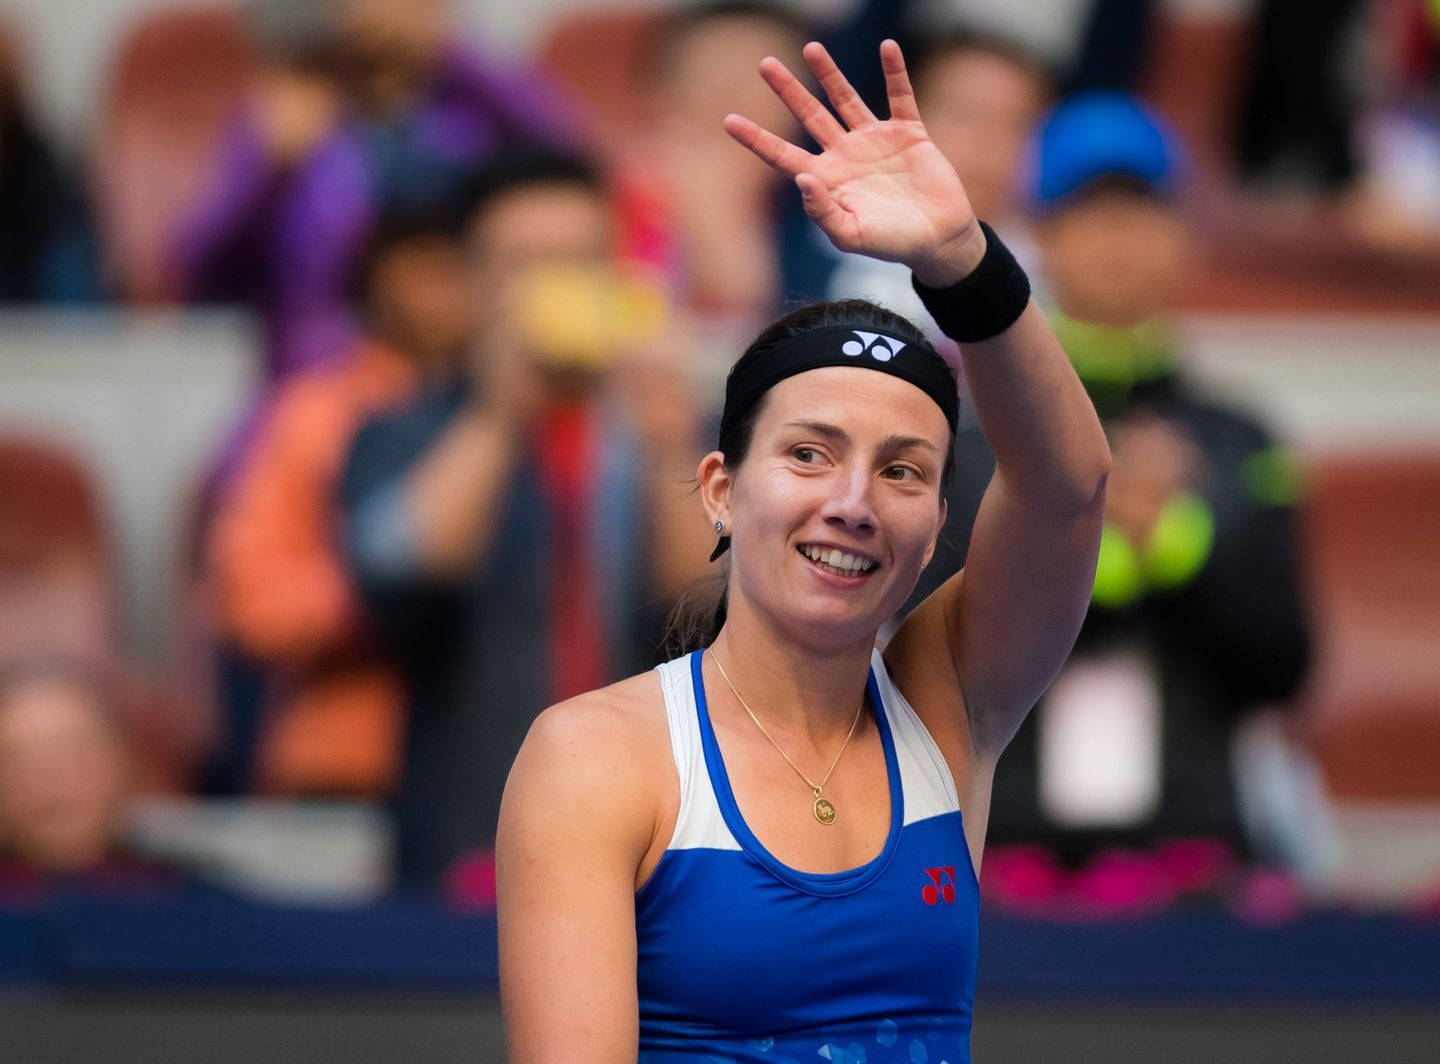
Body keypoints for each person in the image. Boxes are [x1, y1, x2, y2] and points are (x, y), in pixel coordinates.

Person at [497, 41, 1109, 1062]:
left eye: (905, 470)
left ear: (936, 525)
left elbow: (1066, 488)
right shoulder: (596, 755)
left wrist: (961, 260)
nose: (854, 502)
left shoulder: (945, 698)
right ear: (722, 489)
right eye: (810, 454)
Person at [916, 93, 1312, 906]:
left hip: (1197, 852)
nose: (1120, 244)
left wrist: (1179, 541)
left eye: (1142, 214)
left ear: (1184, 236)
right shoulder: (970, 425)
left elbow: (1283, 662)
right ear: (1043, 236)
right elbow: (932, 643)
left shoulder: (1241, 436)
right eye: (1089, 215)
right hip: (1000, 847)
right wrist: (1093, 540)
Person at [340, 151, 710, 891]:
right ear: (472, 285)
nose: (557, 287)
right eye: (527, 265)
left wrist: (671, 442)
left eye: (582, 262)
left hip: (663, 830)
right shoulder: (406, 430)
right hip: (468, 836)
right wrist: (501, 417)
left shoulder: (676, 431)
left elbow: (714, 601)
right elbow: (399, 573)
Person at [205, 205, 473, 796]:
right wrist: (394, 582)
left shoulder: (561, 418)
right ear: (375, 281)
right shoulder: (317, 417)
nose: (453, 292)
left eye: (465, 268)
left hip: (520, 753)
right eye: (429, 270)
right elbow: (255, 602)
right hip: (352, 764)